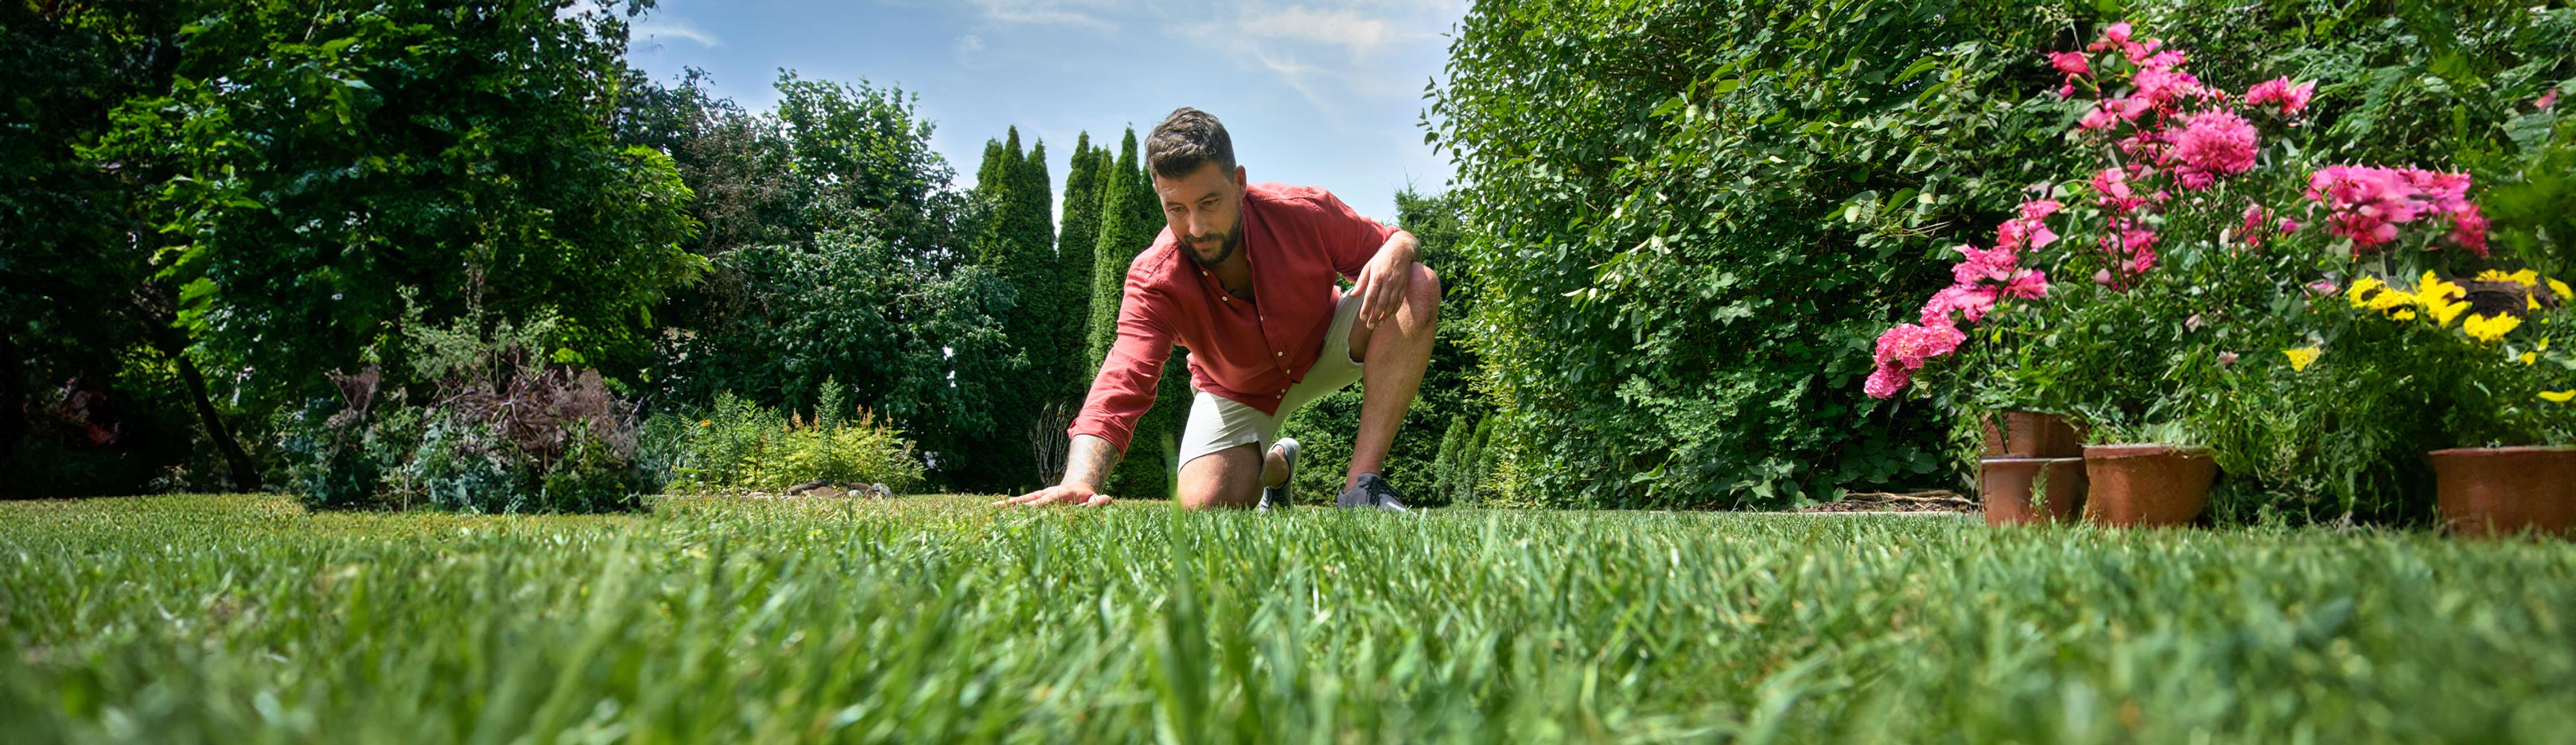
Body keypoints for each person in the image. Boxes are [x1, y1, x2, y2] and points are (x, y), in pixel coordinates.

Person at [995, 107, 1439, 510]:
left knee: (1417, 284)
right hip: (1236, 390)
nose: (1197, 227)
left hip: (1325, 344)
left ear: (1240, 183)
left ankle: (1361, 487)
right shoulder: (1154, 278)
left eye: (1209, 202)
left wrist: (1401, 244)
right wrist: (1080, 480)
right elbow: (1123, 378)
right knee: (1207, 505)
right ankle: (1277, 466)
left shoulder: (1304, 211)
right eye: (1176, 208)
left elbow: (1393, 242)